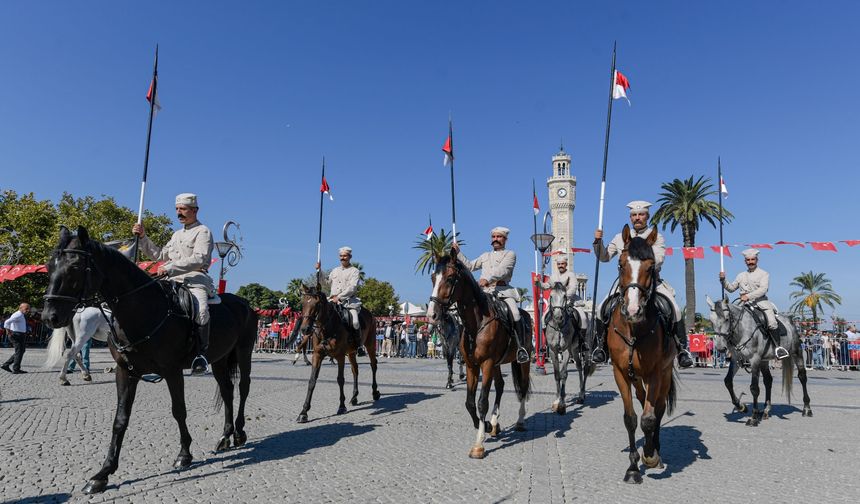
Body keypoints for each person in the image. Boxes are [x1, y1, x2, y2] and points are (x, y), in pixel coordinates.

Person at [593, 201, 694, 368]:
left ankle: (682, 349)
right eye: (634, 215)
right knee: (601, 308)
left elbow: (658, 259)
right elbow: (604, 257)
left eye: (641, 215)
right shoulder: (620, 238)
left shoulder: (656, 237)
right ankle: (600, 347)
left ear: (647, 216)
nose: (637, 218)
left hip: (650, 282)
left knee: (674, 309)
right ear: (630, 218)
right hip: (625, 285)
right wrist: (597, 242)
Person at [133, 193, 214, 375]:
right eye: (177, 209)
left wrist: (171, 268)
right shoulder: (176, 234)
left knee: (201, 311)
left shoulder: (203, 231)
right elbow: (160, 256)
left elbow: (199, 259)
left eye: (183, 209)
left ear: (194, 210)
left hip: (195, 279)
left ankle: (200, 355)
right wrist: (144, 237)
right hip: (172, 279)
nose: (179, 213)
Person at [452, 226, 529, 364]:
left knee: (516, 314)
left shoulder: (510, 254)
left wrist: (488, 279)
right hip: (484, 293)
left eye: (499, 237)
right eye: (494, 237)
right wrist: (458, 253)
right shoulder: (485, 256)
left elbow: (503, 270)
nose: (496, 240)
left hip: (502, 292)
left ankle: (520, 348)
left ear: (505, 239)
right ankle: (465, 349)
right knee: (465, 313)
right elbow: (470, 266)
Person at [720, 248, 788, 359]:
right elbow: (731, 288)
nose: (750, 262)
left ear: (757, 260)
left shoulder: (764, 274)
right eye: (748, 260)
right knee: (731, 323)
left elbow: (763, 289)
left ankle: (778, 348)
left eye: (753, 259)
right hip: (743, 305)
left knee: (772, 322)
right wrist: (723, 280)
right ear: (745, 262)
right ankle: (731, 349)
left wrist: (748, 296)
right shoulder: (740, 275)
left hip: (761, 303)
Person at [317, 246, 362, 343]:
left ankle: (357, 344)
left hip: (348, 302)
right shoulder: (335, 270)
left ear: (350, 257)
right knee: (319, 316)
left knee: (355, 322)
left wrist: (339, 297)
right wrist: (319, 271)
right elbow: (325, 283)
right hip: (332, 301)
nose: (342, 258)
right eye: (341, 256)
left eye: (345, 256)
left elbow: (352, 287)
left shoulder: (354, 271)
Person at [534, 255, 589, 333]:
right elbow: (546, 286)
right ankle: (547, 341)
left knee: (583, 319)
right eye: (559, 264)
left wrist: (564, 297)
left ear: (566, 264)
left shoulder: (571, 275)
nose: (560, 266)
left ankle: (582, 341)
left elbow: (573, 288)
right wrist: (538, 282)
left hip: (570, 301)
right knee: (543, 320)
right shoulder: (553, 276)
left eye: (562, 264)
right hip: (556, 303)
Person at [2, 303, 31, 373]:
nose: (28, 310)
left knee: (21, 351)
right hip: (16, 335)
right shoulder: (18, 314)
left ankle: (6, 365)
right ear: (21, 308)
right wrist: (8, 331)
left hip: (19, 334)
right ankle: (16, 369)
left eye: (28, 309)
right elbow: (6, 322)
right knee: (19, 351)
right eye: (26, 309)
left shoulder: (21, 315)